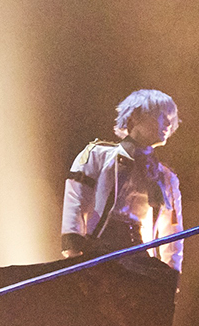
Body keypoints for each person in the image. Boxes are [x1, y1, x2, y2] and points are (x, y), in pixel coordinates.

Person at [61, 89, 184, 271]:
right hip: (98, 250)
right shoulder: (97, 155)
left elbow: (172, 231)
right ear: (134, 117)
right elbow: (76, 200)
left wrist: (171, 274)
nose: (168, 123)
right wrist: (74, 253)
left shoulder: (166, 177)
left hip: (139, 256)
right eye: (160, 115)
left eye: (171, 118)